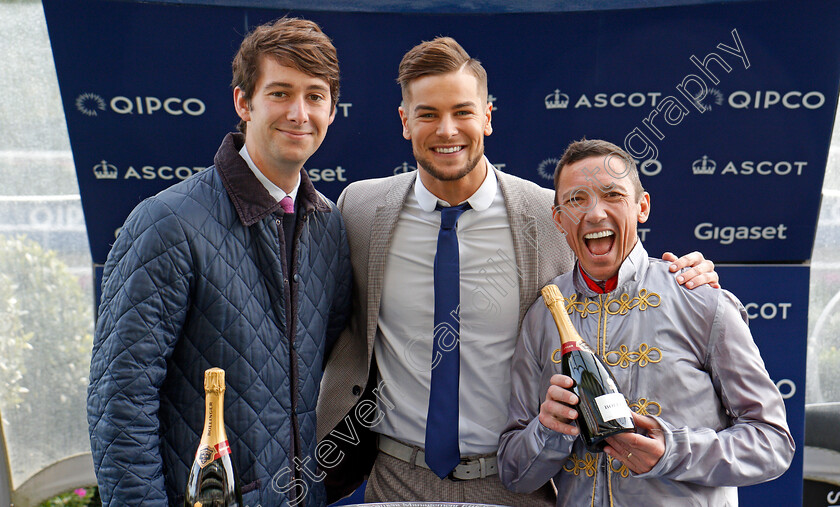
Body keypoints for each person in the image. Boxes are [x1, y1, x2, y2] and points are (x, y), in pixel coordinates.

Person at [316, 38, 719, 505]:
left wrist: (685, 277)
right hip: (396, 478)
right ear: (405, 122)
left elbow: (613, 286)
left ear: (487, 116)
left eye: (463, 112)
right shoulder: (360, 209)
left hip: (519, 481)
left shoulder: (544, 215)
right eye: (427, 114)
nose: (447, 130)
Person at [87, 17, 352, 506]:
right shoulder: (166, 223)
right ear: (242, 102)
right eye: (280, 93)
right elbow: (119, 401)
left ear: (332, 111)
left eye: (315, 96)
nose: (299, 113)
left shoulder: (331, 228)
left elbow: (331, 368)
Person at [497, 139, 794, 506]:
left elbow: (773, 442)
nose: (594, 214)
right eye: (576, 200)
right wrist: (548, 430)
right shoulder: (543, 316)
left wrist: (671, 451)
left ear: (642, 206)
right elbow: (514, 475)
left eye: (613, 195)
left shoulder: (699, 297)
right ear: (559, 219)